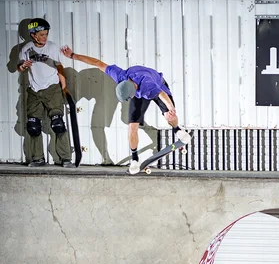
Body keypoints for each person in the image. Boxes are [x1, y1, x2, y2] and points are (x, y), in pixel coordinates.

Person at [60, 46, 191, 175]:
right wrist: (73, 56)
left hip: (158, 86)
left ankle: (177, 129)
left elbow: (161, 94)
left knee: (169, 115)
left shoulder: (147, 85)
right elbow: (97, 63)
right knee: (132, 126)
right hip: (137, 88)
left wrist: (171, 108)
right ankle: (134, 159)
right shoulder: (119, 75)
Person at [18, 18, 74, 167]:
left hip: (52, 89)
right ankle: (38, 159)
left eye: (46, 34)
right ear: (33, 35)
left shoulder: (52, 47)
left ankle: (65, 158)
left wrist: (64, 87)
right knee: (33, 126)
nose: (45, 37)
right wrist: (23, 66)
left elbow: (60, 67)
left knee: (58, 124)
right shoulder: (26, 49)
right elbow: (19, 68)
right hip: (34, 91)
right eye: (42, 34)